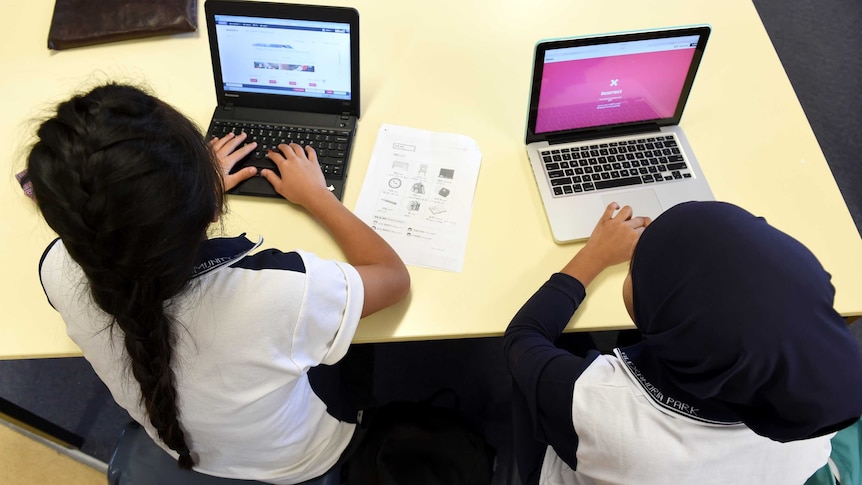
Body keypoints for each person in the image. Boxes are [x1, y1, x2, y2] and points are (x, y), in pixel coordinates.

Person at [28, 83, 410, 483]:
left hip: (181, 447)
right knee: (357, 342)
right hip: (301, 459)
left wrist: (170, 199)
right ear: (213, 208)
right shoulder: (279, 293)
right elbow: (392, 277)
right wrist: (318, 195)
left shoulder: (56, 268)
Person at [503, 201, 862, 485]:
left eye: (637, 269)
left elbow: (523, 339)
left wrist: (595, 256)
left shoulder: (597, 403)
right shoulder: (811, 421)